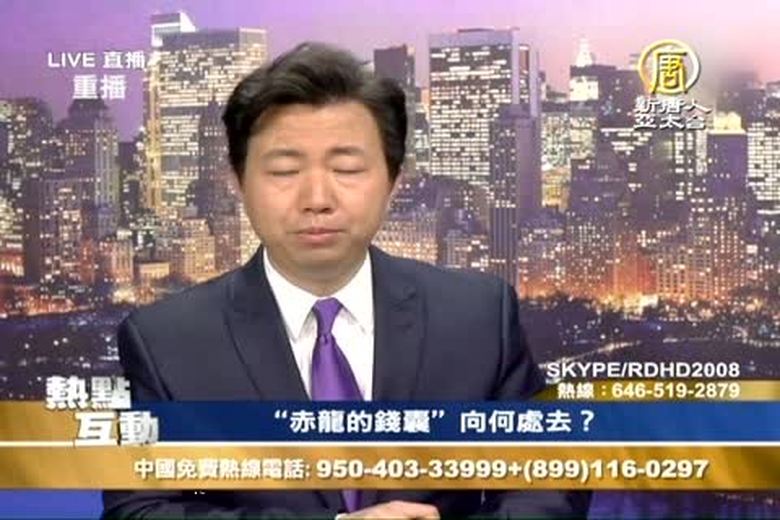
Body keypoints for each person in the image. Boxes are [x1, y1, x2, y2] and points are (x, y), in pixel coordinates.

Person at [102, 42, 590, 519]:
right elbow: (139, 507)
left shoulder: (477, 314)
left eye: (347, 168)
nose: (317, 198)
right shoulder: (166, 340)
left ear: (394, 180)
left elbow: (549, 479)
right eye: (284, 170)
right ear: (237, 182)